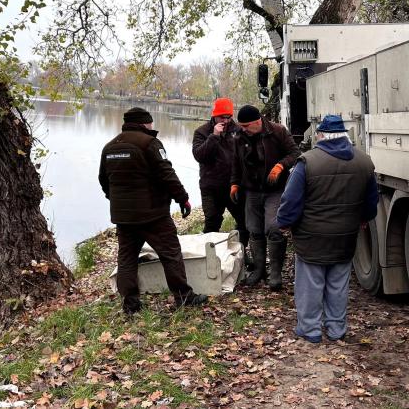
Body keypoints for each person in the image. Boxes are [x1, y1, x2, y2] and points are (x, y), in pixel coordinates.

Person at [277, 115, 378, 343]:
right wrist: (363, 218)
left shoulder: (307, 162)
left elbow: (290, 201)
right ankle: (336, 329)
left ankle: (310, 330)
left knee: (310, 286)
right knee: (338, 285)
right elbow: (371, 201)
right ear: (344, 135)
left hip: (311, 237)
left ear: (320, 135)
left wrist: (284, 223)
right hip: (345, 237)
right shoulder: (364, 162)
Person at [99, 107, 208, 314]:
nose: (152, 126)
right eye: (150, 123)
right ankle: (184, 297)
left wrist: (116, 201)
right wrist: (183, 198)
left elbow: (104, 181)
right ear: (144, 123)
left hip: (123, 217)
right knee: (170, 254)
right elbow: (166, 174)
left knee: (127, 258)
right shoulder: (149, 143)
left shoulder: (110, 147)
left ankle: (130, 304)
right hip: (153, 214)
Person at [230, 105, 300, 290]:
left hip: (275, 190)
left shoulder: (278, 132)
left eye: (246, 126)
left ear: (257, 121)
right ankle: (259, 270)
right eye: (241, 126)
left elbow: (295, 153)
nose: (243, 129)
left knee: (274, 228)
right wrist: (234, 183)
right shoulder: (239, 137)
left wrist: (280, 166)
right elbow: (236, 162)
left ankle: (276, 273)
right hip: (252, 190)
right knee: (254, 230)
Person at [192, 98, 248, 247]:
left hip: (234, 185)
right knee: (212, 223)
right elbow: (199, 156)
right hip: (211, 187)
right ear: (214, 115)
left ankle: (240, 252)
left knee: (244, 221)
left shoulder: (238, 131)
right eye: (222, 116)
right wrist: (214, 136)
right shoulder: (202, 132)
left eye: (228, 117)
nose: (225, 120)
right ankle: (208, 257)